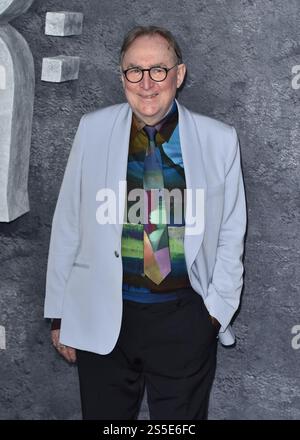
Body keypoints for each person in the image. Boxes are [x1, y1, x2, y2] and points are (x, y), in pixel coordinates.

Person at [44, 25, 247, 420]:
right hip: (103, 317)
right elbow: (68, 220)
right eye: (134, 70)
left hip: (184, 318)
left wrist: (214, 314)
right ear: (122, 77)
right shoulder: (93, 129)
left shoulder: (219, 140)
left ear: (179, 75)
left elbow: (230, 232)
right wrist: (60, 313)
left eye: (158, 70)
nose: (147, 83)